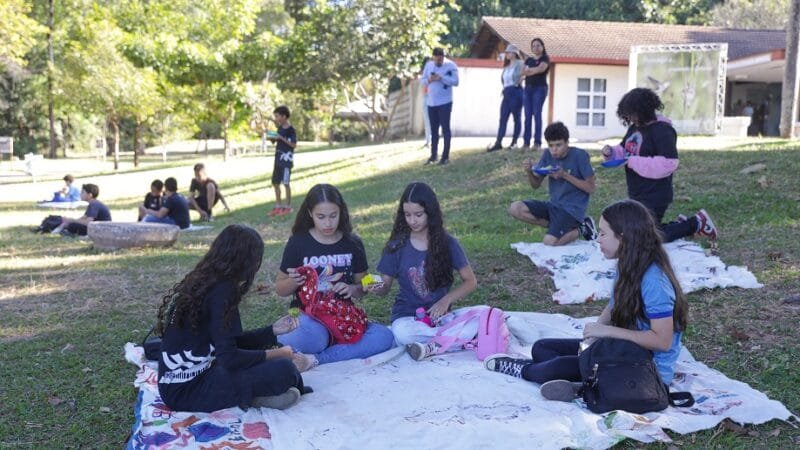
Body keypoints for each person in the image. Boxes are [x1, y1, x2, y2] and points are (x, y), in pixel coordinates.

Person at [485, 200, 689, 402]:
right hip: (625, 350)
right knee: (542, 348)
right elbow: (614, 304)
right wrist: (593, 336)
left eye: (603, 233)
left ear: (623, 237)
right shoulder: (628, 264)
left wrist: (607, 332)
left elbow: (663, 341)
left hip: (647, 372)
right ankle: (584, 381)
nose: (597, 240)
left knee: (554, 368)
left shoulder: (654, 281)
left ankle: (525, 370)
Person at [156, 224, 308, 412]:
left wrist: (272, 331)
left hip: (178, 385)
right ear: (247, 262)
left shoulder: (204, 281)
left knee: (274, 366)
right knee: (284, 369)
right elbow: (230, 358)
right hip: (189, 391)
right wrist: (277, 353)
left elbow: (227, 343)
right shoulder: (223, 292)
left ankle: (249, 396)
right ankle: (251, 397)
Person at [274, 184, 395, 367]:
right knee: (311, 338)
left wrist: (354, 288)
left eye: (333, 216)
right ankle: (334, 347)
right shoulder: (298, 243)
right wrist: (293, 281)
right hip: (309, 319)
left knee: (383, 337)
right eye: (321, 217)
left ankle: (315, 359)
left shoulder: (352, 243)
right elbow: (280, 289)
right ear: (310, 214)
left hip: (344, 319)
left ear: (341, 212)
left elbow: (363, 285)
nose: (328, 223)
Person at [369, 182, 479, 361]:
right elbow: (384, 288)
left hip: (441, 319)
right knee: (403, 334)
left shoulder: (447, 243)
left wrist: (445, 301)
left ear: (430, 212)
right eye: (407, 215)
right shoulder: (396, 246)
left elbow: (471, 281)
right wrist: (374, 286)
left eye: (418, 215)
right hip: (408, 319)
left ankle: (432, 344)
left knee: (481, 316)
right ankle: (449, 342)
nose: (412, 220)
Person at [602, 87, 717, 244]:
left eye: (633, 113)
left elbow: (669, 163)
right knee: (641, 231)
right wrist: (611, 153)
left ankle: (696, 223)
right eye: (628, 115)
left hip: (655, 194)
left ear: (644, 110)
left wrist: (634, 161)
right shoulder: (634, 127)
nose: (631, 118)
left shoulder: (662, 130)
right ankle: (680, 225)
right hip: (637, 191)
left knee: (645, 238)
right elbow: (625, 150)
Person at [508, 122, 597, 245]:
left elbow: (591, 188)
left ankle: (582, 228)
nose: (554, 150)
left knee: (549, 243)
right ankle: (558, 228)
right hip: (553, 205)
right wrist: (529, 172)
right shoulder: (547, 155)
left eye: (558, 145)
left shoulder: (580, 156)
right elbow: (535, 185)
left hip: (571, 210)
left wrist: (565, 175)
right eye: (551, 145)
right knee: (515, 208)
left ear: (567, 143)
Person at [420, 48, 459, 165]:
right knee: (434, 130)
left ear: (443, 57)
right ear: (433, 57)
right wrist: (429, 79)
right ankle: (433, 156)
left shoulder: (451, 65)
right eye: (436, 59)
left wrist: (441, 78)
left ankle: (445, 156)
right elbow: (422, 82)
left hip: (445, 102)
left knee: (445, 129)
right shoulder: (429, 65)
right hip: (431, 102)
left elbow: (456, 82)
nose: (438, 61)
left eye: (440, 59)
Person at [487, 44, 524, 152]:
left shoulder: (520, 63)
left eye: (509, 52)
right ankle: (498, 142)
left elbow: (523, 75)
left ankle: (514, 142)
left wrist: (520, 80)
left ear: (515, 53)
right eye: (506, 52)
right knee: (503, 118)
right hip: (506, 92)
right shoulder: (507, 66)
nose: (507, 54)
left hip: (515, 91)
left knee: (516, 118)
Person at [267, 105, 297, 217]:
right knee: (275, 182)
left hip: (286, 161)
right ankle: (278, 206)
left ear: (284, 116)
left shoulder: (291, 130)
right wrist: (271, 137)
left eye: (277, 116)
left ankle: (288, 207)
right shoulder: (279, 128)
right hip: (277, 160)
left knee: (286, 183)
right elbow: (275, 141)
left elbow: (293, 145)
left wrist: (281, 138)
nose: (276, 118)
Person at [522, 38, 550, 152]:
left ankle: (537, 143)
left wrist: (530, 70)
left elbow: (541, 69)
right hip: (527, 89)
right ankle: (526, 143)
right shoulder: (528, 59)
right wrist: (532, 70)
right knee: (527, 116)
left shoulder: (545, 58)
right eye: (533, 46)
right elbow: (522, 72)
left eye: (538, 45)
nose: (536, 47)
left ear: (542, 46)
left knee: (537, 114)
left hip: (539, 88)